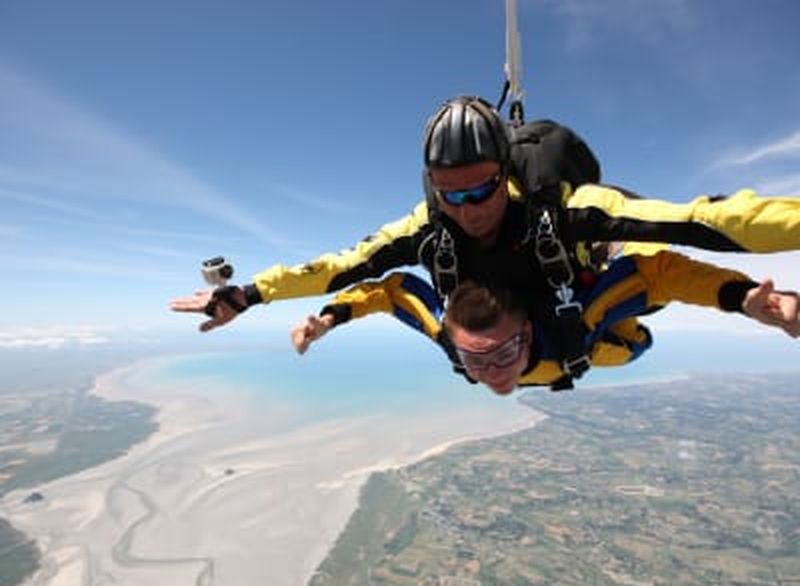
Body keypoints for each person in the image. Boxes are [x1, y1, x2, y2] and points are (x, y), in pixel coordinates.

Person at [171, 96, 800, 364]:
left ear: (505, 173)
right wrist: (250, 295)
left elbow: (702, 221)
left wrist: (747, 298)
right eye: (453, 194)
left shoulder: (564, 207)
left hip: (573, 303)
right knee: (583, 336)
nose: (470, 207)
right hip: (522, 330)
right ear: (433, 189)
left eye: (483, 188)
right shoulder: (427, 230)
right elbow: (345, 267)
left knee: (631, 309)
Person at [290, 250, 800, 393]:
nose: (490, 372)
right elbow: (390, 291)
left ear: (528, 331)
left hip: (591, 344)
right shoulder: (451, 337)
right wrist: (327, 321)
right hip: (574, 356)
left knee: (638, 331)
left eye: (503, 353)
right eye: (475, 358)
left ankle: (598, 252)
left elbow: (657, 273)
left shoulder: (572, 321)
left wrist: (745, 298)